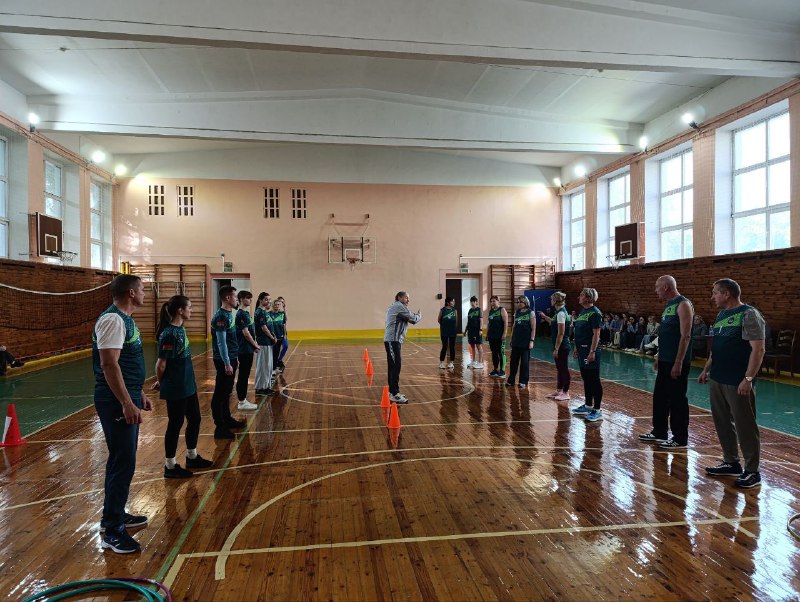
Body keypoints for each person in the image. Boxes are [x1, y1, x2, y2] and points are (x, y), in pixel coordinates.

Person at [92, 274, 151, 554]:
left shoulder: (125, 320)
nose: (145, 294)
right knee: (122, 462)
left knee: (122, 460)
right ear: (131, 292)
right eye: (142, 290)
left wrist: (138, 392)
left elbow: (126, 362)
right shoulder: (112, 320)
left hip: (126, 397)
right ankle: (112, 530)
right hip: (115, 402)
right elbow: (109, 364)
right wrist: (126, 402)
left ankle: (115, 516)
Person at [699, 278, 766, 489]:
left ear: (726, 294)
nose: (713, 297)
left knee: (745, 425)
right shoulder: (721, 315)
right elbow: (717, 348)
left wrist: (748, 378)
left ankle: (752, 471)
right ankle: (731, 462)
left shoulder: (749, 314)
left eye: (715, 293)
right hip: (718, 378)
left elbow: (758, 350)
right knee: (722, 422)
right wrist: (706, 369)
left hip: (738, 381)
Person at [153, 295, 214, 479]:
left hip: (188, 385)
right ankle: (170, 466)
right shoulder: (169, 334)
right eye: (190, 307)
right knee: (175, 424)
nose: (192, 310)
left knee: (195, 419)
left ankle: (192, 456)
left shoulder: (181, 329)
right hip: (176, 387)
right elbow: (161, 364)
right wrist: (161, 381)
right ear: (180, 310)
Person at [639, 276, 694, 449]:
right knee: (660, 397)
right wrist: (659, 356)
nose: (655, 290)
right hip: (664, 360)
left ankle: (680, 437)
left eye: (657, 287)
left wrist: (678, 362)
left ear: (665, 287)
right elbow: (665, 335)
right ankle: (659, 431)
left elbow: (685, 336)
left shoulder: (683, 304)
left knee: (677, 399)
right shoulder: (668, 306)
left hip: (676, 361)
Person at [210, 285, 245, 440]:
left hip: (231, 357)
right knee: (220, 393)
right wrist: (226, 363)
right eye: (235, 296)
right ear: (228, 298)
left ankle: (227, 419)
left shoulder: (229, 314)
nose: (237, 299)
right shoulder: (221, 317)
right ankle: (220, 427)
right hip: (224, 360)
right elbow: (221, 343)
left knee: (226, 392)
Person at [571, 288, 603, 422]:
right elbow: (579, 331)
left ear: (588, 298)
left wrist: (592, 351)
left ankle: (597, 410)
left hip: (590, 350)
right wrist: (576, 347)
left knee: (594, 379)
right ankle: (588, 405)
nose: (579, 297)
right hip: (581, 350)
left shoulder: (595, 313)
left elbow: (596, 334)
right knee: (586, 378)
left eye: (581, 295)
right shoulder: (583, 312)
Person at [384, 291, 421, 404]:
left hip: (394, 340)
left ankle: (393, 392)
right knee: (395, 365)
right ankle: (394, 393)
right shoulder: (399, 307)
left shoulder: (397, 306)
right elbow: (414, 319)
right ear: (399, 298)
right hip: (393, 340)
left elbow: (409, 317)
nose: (408, 300)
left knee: (394, 365)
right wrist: (419, 315)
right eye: (406, 298)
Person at [538, 291, 571, 401]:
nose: (550, 301)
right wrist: (544, 316)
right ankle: (559, 390)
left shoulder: (561, 313)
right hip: (559, 345)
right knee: (559, 368)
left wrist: (556, 348)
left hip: (562, 345)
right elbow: (552, 322)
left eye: (552, 299)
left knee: (563, 368)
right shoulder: (559, 313)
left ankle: (566, 392)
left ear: (556, 300)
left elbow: (561, 333)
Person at [234, 290, 259, 410]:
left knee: (245, 375)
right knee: (243, 376)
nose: (250, 300)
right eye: (248, 298)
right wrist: (255, 345)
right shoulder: (241, 314)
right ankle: (242, 401)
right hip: (244, 349)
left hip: (248, 349)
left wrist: (253, 345)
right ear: (241, 299)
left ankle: (243, 400)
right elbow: (246, 333)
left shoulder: (246, 314)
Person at [505, 296, 535, 389]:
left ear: (525, 302)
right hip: (516, 341)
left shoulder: (530, 312)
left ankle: (523, 381)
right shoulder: (517, 312)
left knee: (524, 363)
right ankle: (511, 380)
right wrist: (511, 339)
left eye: (520, 302)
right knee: (513, 362)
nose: (518, 304)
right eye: (517, 302)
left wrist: (532, 341)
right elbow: (514, 326)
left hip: (525, 342)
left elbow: (533, 328)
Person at [254, 292, 277, 395]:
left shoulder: (265, 312)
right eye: (266, 299)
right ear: (261, 300)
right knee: (263, 366)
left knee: (268, 366)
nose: (269, 301)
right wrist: (272, 337)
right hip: (263, 342)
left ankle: (266, 386)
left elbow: (269, 326)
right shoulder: (260, 312)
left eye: (269, 299)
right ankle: (260, 388)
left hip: (268, 343)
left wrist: (273, 336)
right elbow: (264, 328)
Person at [486, 295, 509, 378]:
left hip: (500, 336)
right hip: (492, 336)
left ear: (498, 301)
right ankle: (495, 369)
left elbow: (506, 323)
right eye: (491, 301)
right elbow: (489, 323)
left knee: (501, 353)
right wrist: (487, 333)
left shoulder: (502, 310)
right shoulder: (491, 311)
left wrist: (504, 333)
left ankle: (502, 371)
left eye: (494, 301)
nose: (492, 303)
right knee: (494, 353)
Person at [438, 296, 458, 369]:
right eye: (453, 301)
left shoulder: (455, 310)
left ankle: (451, 362)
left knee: (452, 347)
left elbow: (456, 321)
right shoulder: (442, 310)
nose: (454, 302)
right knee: (444, 346)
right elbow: (439, 320)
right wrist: (444, 326)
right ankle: (441, 362)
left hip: (452, 331)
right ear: (448, 302)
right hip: (444, 331)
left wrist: (454, 329)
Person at [465, 296, 485, 369]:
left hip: (477, 331)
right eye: (471, 301)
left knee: (478, 346)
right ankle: (473, 361)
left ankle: (480, 362)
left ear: (476, 302)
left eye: (473, 301)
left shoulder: (479, 310)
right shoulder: (470, 311)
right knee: (472, 346)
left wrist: (480, 329)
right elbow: (468, 322)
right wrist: (465, 330)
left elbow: (481, 321)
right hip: (471, 331)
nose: (472, 303)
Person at [270, 299, 287, 376]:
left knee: (276, 353)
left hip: (280, 337)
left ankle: (275, 367)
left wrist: (284, 335)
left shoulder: (282, 314)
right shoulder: (269, 314)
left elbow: (284, 325)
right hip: (273, 337)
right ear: (272, 305)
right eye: (275, 304)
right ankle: (272, 369)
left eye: (278, 304)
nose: (276, 306)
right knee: (273, 353)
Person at [276, 296, 289, 371]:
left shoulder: (283, 313)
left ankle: (279, 360)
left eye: (283, 302)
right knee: (276, 350)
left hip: (283, 333)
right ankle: (276, 364)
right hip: (276, 334)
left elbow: (286, 319)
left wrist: (284, 308)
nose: (281, 303)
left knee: (285, 346)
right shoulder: (274, 312)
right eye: (280, 302)